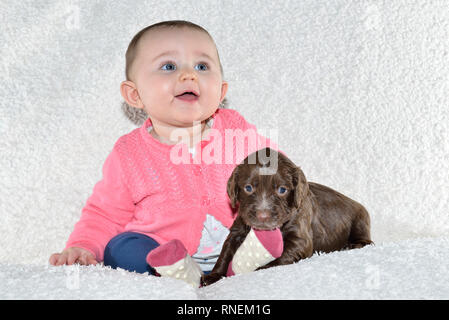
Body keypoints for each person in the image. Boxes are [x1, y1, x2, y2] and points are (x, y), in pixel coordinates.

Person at [49, 20, 281, 286]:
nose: (189, 75)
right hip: (163, 252)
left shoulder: (235, 130)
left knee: (274, 230)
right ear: (135, 95)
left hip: (236, 241)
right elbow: (104, 214)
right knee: (122, 248)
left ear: (221, 92)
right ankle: (177, 270)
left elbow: (277, 171)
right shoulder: (129, 153)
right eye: (168, 67)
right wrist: (83, 246)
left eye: (202, 66)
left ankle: (236, 267)